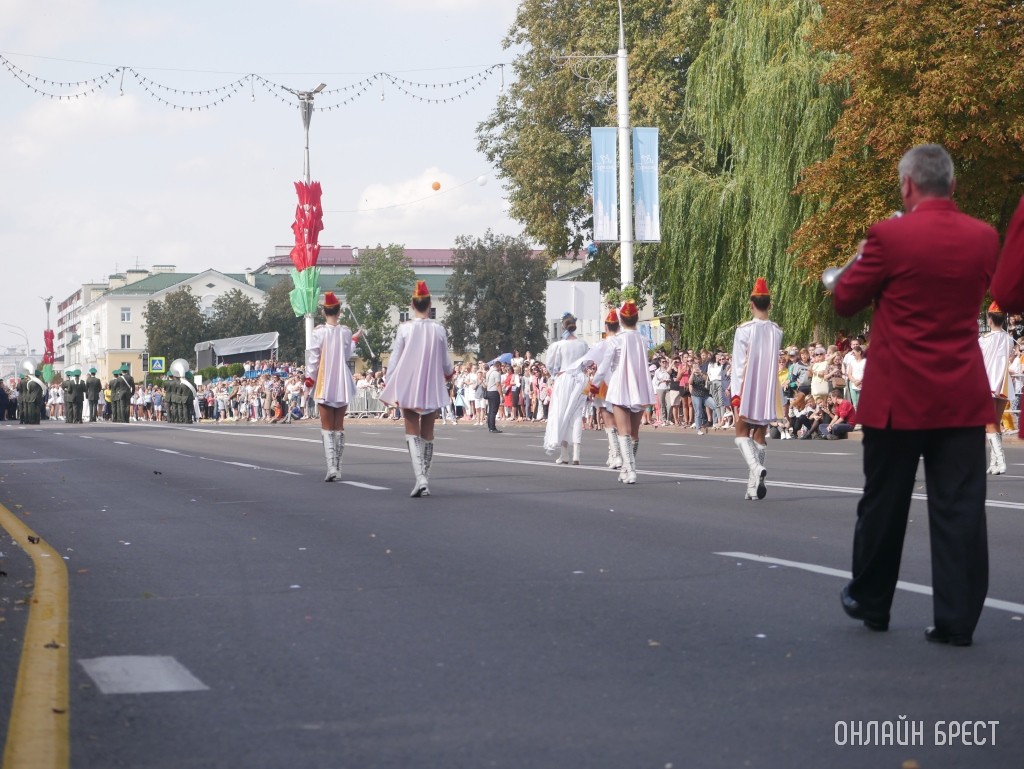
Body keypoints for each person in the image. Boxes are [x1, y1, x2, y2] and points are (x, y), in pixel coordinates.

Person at [832, 143, 998, 646]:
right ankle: (957, 619)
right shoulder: (984, 237)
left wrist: (863, 260)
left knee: (885, 502)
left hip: (897, 395)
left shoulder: (888, 235)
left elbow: (845, 298)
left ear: (907, 185)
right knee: (960, 507)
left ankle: (872, 600)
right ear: (952, 185)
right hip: (960, 392)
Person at [379, 281, 455, 497]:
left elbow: (395, 359)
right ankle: (425, 480)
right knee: (428, 432)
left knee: (411, 429)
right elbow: (445, 360)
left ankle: (420, 478)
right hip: (431, 383)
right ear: (429, 304)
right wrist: (449, 374)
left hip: (409, 383)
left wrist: (390, 382)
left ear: (412, 305)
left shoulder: (404, 328)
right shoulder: (439, 329)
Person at [591, 300, 656, 484]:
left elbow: (603, 367)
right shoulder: (644, 340)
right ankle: (627, 468)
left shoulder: (616, 340)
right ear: (636, 319)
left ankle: (631, 470)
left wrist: (594, 386)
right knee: (634, 432)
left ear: (621, 320)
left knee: (623, 431)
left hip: (620, 386)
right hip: (639, 386)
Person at [731, 278, 784, 500]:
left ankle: (756, 469)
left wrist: (735, 394)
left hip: (748, 387)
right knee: (760, 435)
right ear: (770, 305)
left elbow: (738, 365)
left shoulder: (744, 330)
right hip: (767, 388)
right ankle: (753, 487)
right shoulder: (777, 331)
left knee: (741, 432)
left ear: (751, 304)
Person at [305, 291, 358, 482]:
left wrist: (309, 379)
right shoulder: (346, 331)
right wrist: (354, 340)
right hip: (342, 380)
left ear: (323, 311)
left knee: (327, 427)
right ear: (339, 311)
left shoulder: (318, 332)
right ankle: (338, 466)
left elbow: (313, 359)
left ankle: (332, 467)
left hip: (325, 380)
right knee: (339, 427)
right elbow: (346, 355)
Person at [543, 312, 590, 464]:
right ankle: (576, 453)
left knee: (562, 413)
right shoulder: (583, 344)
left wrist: (554, 373)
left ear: (563, 326)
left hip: (565, 379)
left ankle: (564, 453)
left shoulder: (558, 345)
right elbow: (588, 362)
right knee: (576, 415)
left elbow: (551, 366)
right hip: (580, 379)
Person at [978, 301, 1014, 474]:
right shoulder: (1009, 339)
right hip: (1004, 384)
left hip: (989, 383)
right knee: (995, 424)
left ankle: (1001, 460)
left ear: (989, 318)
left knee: (989, 424)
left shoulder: (984, 340)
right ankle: (994, 463)